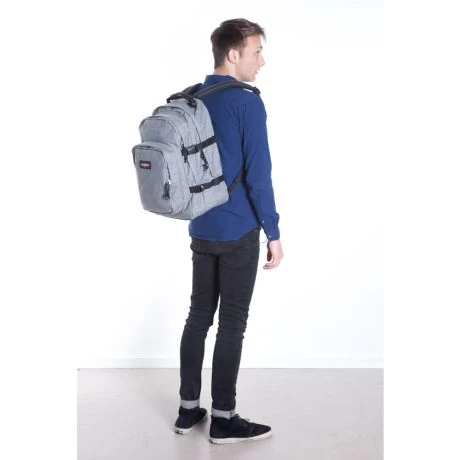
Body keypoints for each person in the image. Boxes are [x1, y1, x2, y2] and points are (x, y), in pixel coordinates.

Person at [173, 18, 283, 444]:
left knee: (198, 316)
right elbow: (259, 176)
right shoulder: (245, 103)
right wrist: (272, 230)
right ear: (233, 55)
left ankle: (188, 411)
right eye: (257, 51)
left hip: (200, 226)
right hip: (238, 230)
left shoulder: (193, 98)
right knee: (232, 323)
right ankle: (223, 417)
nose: (262, 61)